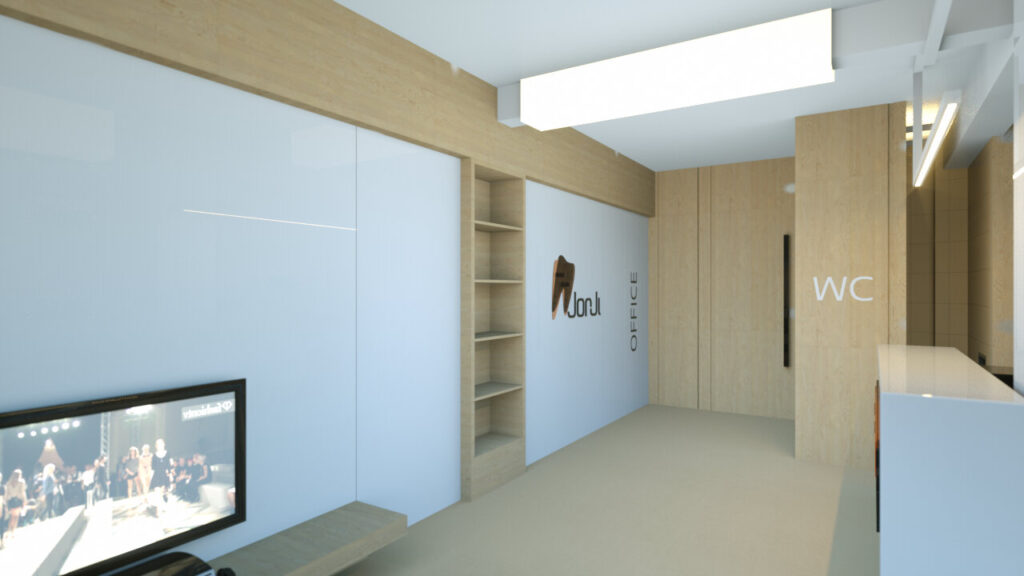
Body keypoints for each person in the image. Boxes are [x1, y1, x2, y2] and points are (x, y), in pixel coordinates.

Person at [4, 469, 28, 538]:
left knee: (12, 517)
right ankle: (13, 532)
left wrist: (6, 500)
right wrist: (24, 500)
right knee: (16, 517)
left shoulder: (9, 482)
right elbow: (22, 492)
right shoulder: (21, 482)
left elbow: (6, 493)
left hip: (11, 501)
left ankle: (8, 531)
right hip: (18, 500)